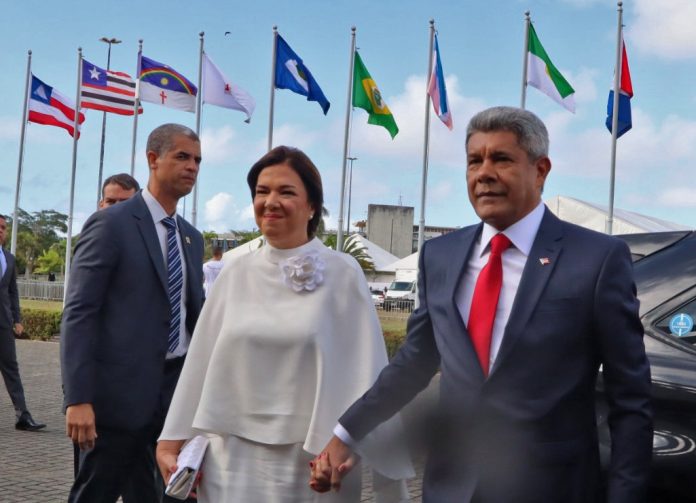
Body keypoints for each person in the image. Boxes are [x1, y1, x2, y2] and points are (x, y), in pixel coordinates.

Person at [311, 106, 653, 502]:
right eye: (474, 161)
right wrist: (345, 434)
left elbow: (629, 396)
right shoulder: (439, 256)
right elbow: (413, 364)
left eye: (502, 159)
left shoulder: (597, 258)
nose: (484, 173)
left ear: (540, 170)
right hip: (452, 489)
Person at [157, 146, 413, 502]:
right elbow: (200, 362)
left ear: (311, 206)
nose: (271, 201)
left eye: (286, 192)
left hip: (314, 461)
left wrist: (347, 445)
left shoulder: (343, 273)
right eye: (262, 192)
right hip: (231, 459)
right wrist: (173, 436)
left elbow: (365, 370)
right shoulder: (234, 272)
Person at [60, 123, 205, 503]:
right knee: (96, 493)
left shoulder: (191, 237)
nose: (192, 166)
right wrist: (78, 398)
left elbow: (196, 317)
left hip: (173, 400)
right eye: (182, 156)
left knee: (160, 496)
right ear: (152, 160)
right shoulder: (112, 225)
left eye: (197, 160)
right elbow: (79, 314)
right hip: (116, 404)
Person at [0, 214, 46, 432]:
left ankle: (23, 416)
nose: (1, 231)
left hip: (3, 323)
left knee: (11, 369)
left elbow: (12, 292)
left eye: (3, 228)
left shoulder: (8, 258)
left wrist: (17, 319)